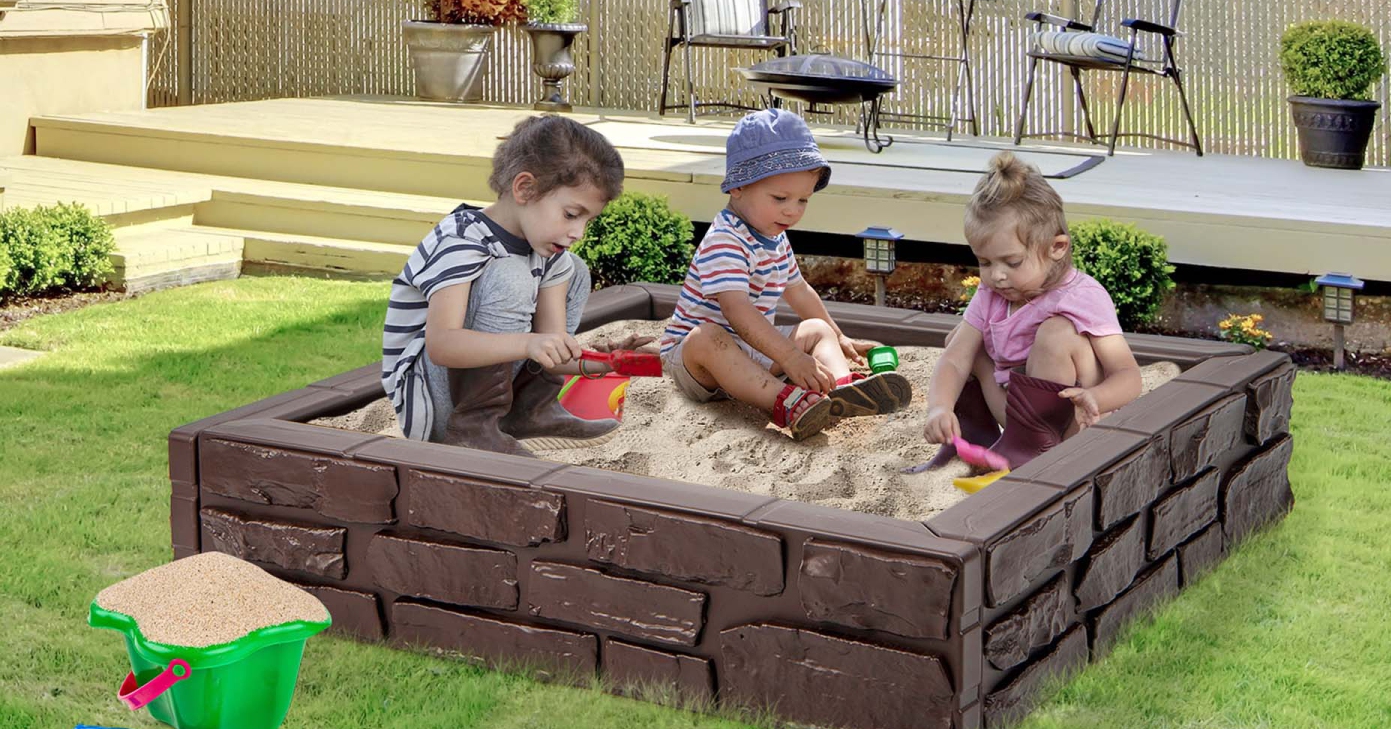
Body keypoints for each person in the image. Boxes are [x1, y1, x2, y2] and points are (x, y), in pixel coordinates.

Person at [660, 108, 912, 440]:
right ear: (738, 186)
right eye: (780, 198)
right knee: (707, 337)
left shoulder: (775, 237)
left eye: (803, 200)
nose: (792, 210)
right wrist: (791, 357)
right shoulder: (725, 240)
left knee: (817, 328)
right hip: (700, 364)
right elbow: (737, 311)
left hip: (754, 352)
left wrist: (839, 337)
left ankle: (843, 390)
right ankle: (785, 403)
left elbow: (800, 291)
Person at [381, 115, 629, 452]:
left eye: (588, 220)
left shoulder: (550, 253)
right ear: (525, 188)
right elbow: (441, 344)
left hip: (493, 383)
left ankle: (529, 412)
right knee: (509, 274)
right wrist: (528, 343)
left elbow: (551, 348)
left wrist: (609, 360)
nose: (578, 232)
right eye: (572, 214)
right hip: (430, 399)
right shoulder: (462, 241)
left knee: (576, 270)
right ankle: (474, 428)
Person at [922, 152, 1142, 474]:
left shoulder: (1082, 296)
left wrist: (1097, 397)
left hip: (1072, 420)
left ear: (1057, 248)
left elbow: (1129, 375)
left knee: (1056, 333)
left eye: (1012, 263)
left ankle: (1030, 450)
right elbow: (955, 358)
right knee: (962, 339)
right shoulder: (993, 293)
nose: (996, 275)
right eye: (985, 262)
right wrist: (938, 408)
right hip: (1018, 420)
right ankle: (971, 438)